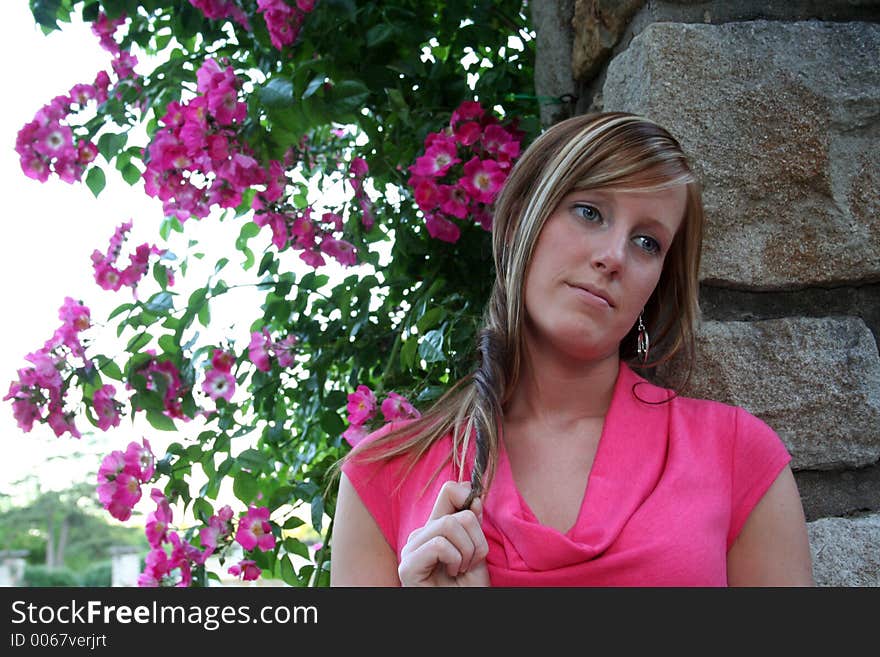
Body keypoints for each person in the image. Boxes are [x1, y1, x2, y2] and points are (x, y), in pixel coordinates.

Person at [330, 112, 815, 586]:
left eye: (647, 242)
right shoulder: (384, 473)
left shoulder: (739, 458)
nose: (613, 257)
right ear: (523, 219)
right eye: (590, 212)